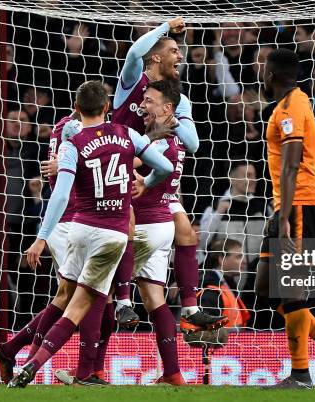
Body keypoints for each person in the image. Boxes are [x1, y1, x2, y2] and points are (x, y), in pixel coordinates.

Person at [7, 81, 173, 388]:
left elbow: (59, 195)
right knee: (81, 304)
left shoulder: (73, 142)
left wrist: (41, 237)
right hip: (112, 234)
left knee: (65, 297)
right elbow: (164, 166)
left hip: (78, 230)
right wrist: (147, 183)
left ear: (77, 108)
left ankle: (22, 356)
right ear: (108, 107)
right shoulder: (128, 135)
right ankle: (50, 365)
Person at [108, 16, 226, 334]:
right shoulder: (133, 82)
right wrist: (164, 28)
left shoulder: (177, 99)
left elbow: (194, 143)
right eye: (174, 50)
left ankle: (190, 306)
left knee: (186, 231)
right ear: (157, 56)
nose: (180, 56)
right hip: (119, 175)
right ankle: (121, 301)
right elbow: (134, 55)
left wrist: (169, 120)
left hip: (155, 180)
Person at [254, 48, 315, 388]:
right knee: (264, 286)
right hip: (288, 204)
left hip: (301, 203)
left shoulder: (293, 104)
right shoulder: (283, 107)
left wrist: (284, 215)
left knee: (291, 286)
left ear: (272, 74)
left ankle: (299, 374)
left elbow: (293, 161)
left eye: (263, 69)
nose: (260, 75)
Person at [0, 114, 83, 384]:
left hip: (67, 223)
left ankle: (13, 354)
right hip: (70, 222)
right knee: (86, 297)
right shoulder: (75, 128)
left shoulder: (63, 127)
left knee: (66, 297)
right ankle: (84, 370)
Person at [131, 80, 191, 385]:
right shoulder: (177, 138)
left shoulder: (156, 141)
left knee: (90, 291)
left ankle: (88, 371)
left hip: (142, 226)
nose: (144, 106)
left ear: (168, 108)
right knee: (154, 298)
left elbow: (125, 163)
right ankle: (172, 373)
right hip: (163, 223)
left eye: (150, 101)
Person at [198, 238, 251, 329]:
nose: (244, 262)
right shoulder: (209, 290)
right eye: (238, 257)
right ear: (221, 259)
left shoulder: (227, 284)